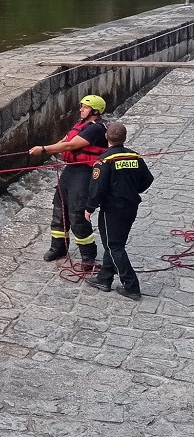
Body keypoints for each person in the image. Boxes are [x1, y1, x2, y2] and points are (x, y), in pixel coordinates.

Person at [29, 95, 108, 266]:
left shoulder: (96, 128)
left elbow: (71, 146)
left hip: (85, 173)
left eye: (85, 107)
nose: (81, 109)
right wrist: (51, 150)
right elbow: (64, 141)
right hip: (71, 170)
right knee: (60, 208)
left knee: (77, 213)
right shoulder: (81, 125)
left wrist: (43, 149)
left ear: (95, 111)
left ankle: (88, 254)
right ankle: (59, 247)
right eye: (81, 106)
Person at [83, 121, 154, 301]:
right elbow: (147, 180)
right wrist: (131, 189)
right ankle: (104, 278)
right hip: (131, 206)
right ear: (124, 138)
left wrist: (90, 207)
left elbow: (97, 188)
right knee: (114, 243)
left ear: (106, 137)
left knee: (114, 246)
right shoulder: (135, 157)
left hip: (112, 209)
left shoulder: (104, 160)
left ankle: (131, 285)